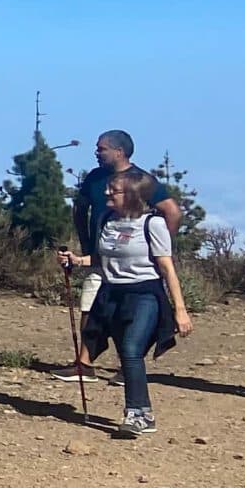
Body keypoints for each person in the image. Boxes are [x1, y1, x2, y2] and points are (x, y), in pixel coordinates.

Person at [57, 168, 194, 437]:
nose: (107, 193)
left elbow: (167, 268)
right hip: (111, 294)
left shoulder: (151, 224)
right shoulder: (108, 220)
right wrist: (75, 260)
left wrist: (180, 310)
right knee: (123, 349)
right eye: (108, 188)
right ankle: (139, 412)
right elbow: (101, 258)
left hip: (144, 295)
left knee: (131, 350)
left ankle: (139, 413)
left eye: (114, 190)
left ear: (132, 195)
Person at [57, 131, 186, 383]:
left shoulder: (140, 180)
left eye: (102, 148)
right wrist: (86, 245)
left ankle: (128, 366)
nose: (97, 152)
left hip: (134, 263)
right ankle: (84, 364)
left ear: (119, 151)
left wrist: (157, 246)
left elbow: (172, 211)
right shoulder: (94, 178)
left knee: (129, 314)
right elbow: (80, 208)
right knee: (90, 306)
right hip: (101, 255)